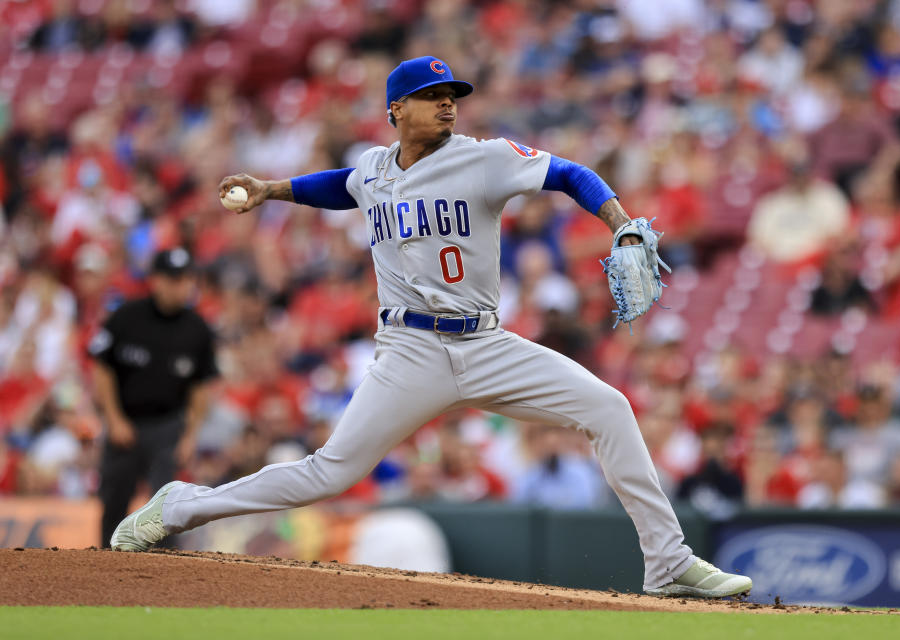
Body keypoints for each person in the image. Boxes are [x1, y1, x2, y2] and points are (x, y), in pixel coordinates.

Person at [110, 57, 752, 598]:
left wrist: (618, 221)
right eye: (431, 97)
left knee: (610, 408)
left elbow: (569, 174)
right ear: (395, 109)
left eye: (452, 97)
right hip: (410, 350)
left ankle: (667, 563)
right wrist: (272, 189)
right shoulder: (375, 169)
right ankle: (180, 506)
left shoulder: (486, 158)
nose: (447, 106)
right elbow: (344, 185)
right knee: (328, 473)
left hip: (486, 342)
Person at [91, 248, 217, 548]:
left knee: (167, 505)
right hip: (126, 424)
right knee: (114, 499)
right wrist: (113, 418)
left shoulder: (198, 329)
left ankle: (164, 576)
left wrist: (190, 435)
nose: (181, 286)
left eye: (186, 279)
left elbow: (201, 387)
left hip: (167, 426)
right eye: (173, 279)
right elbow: (102, 367)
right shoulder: (125, 317)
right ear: (156, 280)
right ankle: (105, 566)